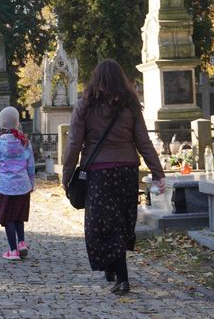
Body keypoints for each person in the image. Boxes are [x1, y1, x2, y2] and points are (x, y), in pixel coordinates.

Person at [62, 59, 166, 296]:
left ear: (95, 79)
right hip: (127, 171)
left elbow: (74, 144)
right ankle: (113, 268)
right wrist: (157, 172)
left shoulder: (85, 106)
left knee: (102, 224)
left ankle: (122, 278)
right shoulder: (130, 105)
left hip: (100, 172)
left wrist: (67, 176)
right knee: (120, 221)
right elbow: (144, 142)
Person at [0, 106, 35, 261]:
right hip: (22, 186)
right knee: (19, 217)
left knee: (8, 218)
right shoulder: (25, 142)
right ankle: (22, 242)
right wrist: (31, 182)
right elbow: (30, 165)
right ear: (17, 122)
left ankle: (13, 250)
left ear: (1, 123)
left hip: (5, 187)